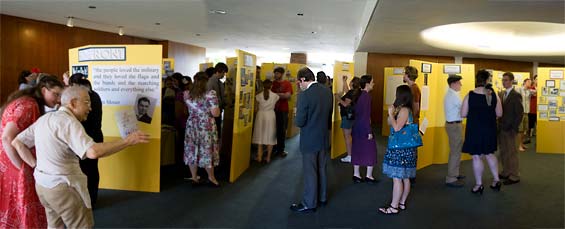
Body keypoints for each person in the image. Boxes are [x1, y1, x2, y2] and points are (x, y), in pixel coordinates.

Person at [11, 85, 149, 228]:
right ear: (73, 103)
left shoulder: (45, 118)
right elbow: (93, 152)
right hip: (64, 188)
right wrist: (128, 141)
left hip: (43, 186)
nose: (90, 108)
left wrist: (35, 166)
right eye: (87, 103)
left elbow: (18, 142)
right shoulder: (68, 122)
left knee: (54, 226)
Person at [0, 75, 63, 228]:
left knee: (14, 204)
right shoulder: (29, 105)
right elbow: (7, 138)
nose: (58, 99)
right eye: (55, 94)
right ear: (43, 90)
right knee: (22, 204)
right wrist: (22, 167)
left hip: (9, 160)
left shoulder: (28, 101)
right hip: (13, 162)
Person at [289, 67, 332, 213]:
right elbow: (328, 115)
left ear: (302, 79)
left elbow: (300, 122)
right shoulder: (327, 92)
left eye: (298, 82)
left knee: (310, 172)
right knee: (321, 168)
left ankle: (309, 203)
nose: (299, 85)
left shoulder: (304, 95)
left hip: (309, 139)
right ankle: (322, 197)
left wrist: (296, 115)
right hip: (324, 136)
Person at [461, 69, 503, 195]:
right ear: (487, 80)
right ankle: (496, 180)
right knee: (490, 154)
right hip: (489, 129)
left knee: (476, 157)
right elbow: (499, 113)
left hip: (474, 129)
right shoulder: (493, 94)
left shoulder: (470, 95)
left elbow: (463, 114)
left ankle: (479, 184)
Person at [379, 85, 418, 214]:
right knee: (405, 177)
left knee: (397, 178)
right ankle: (401, 203)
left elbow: (396, 128)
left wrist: (391, 113)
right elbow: (391, 122)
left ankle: (393, 207)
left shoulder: (404, 110)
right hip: (407, 149)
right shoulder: (405, 109)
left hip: (400, 149)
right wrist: (392, 114)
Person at [69, 73, 104, 206]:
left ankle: (87, 200)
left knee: (85, 170)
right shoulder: (95, 95)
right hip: (94, 137)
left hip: (85, 139)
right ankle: (92, 198)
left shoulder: (85, 98)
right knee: (92, 170)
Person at [185, 72, 221, 187]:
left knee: (192, 150)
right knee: (207, 150)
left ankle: (194, 177)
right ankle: (211, 177)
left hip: (192, 125)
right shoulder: (210, 94)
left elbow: (190, 109)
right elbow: (215, 113)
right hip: (206, 126)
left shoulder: (187, 94)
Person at [351, 75, 378, 183]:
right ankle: (369, 176)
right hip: (364, 126)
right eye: (372, 82)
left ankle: (356, 174)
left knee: (357, 149)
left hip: (357, 126)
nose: (373, 84)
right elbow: (366, 116)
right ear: (367, 84)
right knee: (371, 150)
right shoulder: (367, 96)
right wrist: (369, 131)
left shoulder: (358, 95)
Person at [498, 72, 523, 185]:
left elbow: (519, 114)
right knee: (503, 152)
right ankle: (506, 171)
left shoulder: (515, 95)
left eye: (506, 80)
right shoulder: (502, 94)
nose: (504, 82)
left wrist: (514, 128)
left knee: (512, 153)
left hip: (511, 130)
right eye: (503, 80)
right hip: (502, 128)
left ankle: (514, 176)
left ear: (512, 81)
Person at [443, 75, 465, 187]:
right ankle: (451, 178)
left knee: (456, 151)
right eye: (459, 83)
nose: (461, 85)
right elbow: (464, 110)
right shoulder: (453, 96)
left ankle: (454, 174)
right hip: (454, 126)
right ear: (453, 84)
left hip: (454, 125)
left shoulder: (452, 94)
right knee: (455, 152)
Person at [252, 79, 279, 163]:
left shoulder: (258, 96)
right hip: (270, 115)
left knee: (260, 135)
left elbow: (256, 109)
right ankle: (268, 158)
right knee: (270, 136)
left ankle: (259, 157)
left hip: (260, 115)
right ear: (271, 86)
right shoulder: (275, 96)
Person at [403, 66, 420, 184]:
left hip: (411, 124)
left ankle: (410, 175)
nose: (403, 75)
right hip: (412, 123)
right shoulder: (412, 88)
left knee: (411, 149)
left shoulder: (413, 89)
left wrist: (408, 120)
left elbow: (416, 108)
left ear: (408, 75)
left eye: (404, 73)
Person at [338, 76, 361, 163]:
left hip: (347, 117)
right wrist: (344, 81)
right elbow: (347, 91)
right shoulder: (356, 92)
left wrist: (337, 97)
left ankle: (349, 156)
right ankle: (352, 154)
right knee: (351, 136)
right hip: (353, 117)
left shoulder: (352, 93)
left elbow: (345, 104)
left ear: (352, 83)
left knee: (347, 137)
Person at [272, 67, 293, 157]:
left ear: (281, 74)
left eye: (277, 73)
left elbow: (287, 96)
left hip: (283, 110)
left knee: (281, 130)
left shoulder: (287, 83)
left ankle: (281, 149)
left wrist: (276, 95)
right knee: (272, 129)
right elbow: (268, 94)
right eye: (275, 73)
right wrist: (281, 95)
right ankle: (273, 148)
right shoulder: (273, 83)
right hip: (272, 109)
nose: (276, 75)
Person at [207, 63, 228, 138]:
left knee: (218, 130)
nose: (224, 75)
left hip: (219, 109)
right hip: (212, 111)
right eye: (224, 73)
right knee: (214, 132)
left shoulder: (220, 83)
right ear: (220, 71)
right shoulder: (210, 82)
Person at [516, 78, 532, 151]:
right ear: (525, 82)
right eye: (529, 82)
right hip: (520, 113)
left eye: (530, 82)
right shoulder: (519, 89)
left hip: (526, 112)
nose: (530, 84)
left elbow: (537, 91)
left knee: (525, 130)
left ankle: (522, 144)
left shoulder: (529, 91)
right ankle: (519, 146)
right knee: (520, 130)